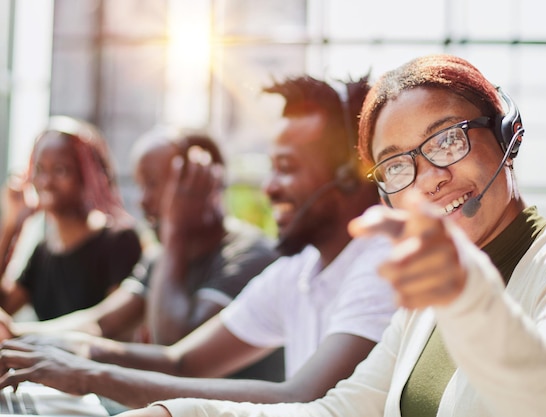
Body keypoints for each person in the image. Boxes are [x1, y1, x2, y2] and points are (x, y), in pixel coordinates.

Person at [117, 54, 546, 417]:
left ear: (506, 133)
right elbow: (342, 409)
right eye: (397, 165)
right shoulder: (425, 303)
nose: (429, 177)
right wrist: (179, 413)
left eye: (448, 140)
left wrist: (464, 292)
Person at [0, 75, 398, 408]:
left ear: (351, 176)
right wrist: (28, 345)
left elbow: (305, 398)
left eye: (287, 169)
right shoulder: (299, 269)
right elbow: (181, 361)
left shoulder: (380, 263)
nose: (269, 186)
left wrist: (84, 374)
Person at [0, 128, 281, 357]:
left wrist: (175, 232)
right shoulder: (160, 257)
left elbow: (174, 342)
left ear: (202, 181)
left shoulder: (248, 256)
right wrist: (14, 334)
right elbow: (101, 322)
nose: (142, 200)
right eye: (140, 185)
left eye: (153, 184)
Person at [0, 116, 142, 321]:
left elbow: (109, 325)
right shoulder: (43, 252)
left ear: (88, 175)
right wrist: (12, 224)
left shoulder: (119, 241)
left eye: (60, 170)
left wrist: (27, 335)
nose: (46, 182)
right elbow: (5, 308)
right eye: (39, 170)